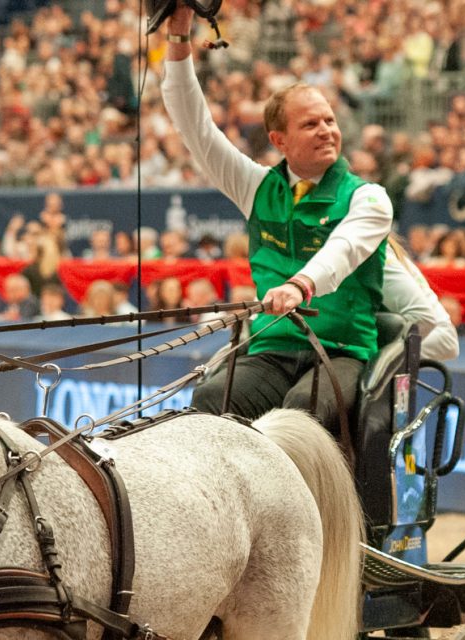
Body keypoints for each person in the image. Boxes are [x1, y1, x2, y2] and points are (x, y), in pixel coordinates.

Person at [162, 6, 393, 431]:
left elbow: (343, 251)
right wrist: (178, 39)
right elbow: (195, 128)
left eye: (330, 120)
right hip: (272, 346)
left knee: (299, 415)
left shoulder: (368, 198)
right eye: (311, 124)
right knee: (211, 398)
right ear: (279, 140)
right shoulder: (256, 186)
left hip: (340, 351)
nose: (327, 130)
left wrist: (299, 284)